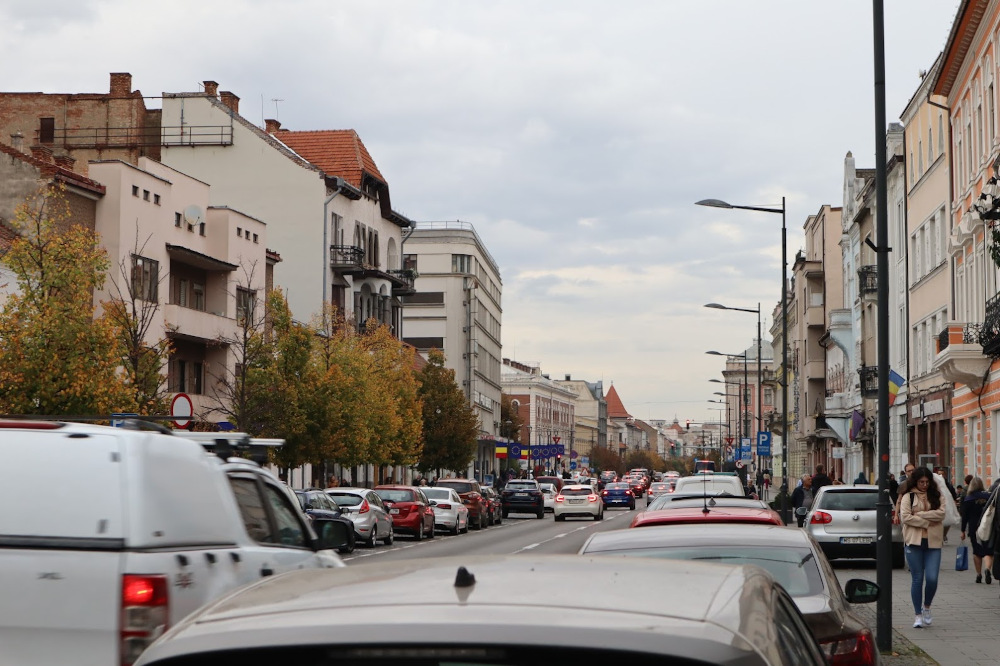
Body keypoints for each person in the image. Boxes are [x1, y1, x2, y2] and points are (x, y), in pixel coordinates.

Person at [899, 466, 945, 628]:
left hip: (933, 542)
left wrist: (919, 515)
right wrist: (927, 522)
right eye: (921, 482)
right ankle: (917, 614)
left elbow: (942, 513)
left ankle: (927, 607)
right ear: (915, 481)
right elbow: (905, 517)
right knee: (917, 578)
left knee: (932, 578)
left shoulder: (937, 494)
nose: (924, 485)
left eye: (927, 482)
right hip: (914, 541)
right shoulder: (908, 497)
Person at [960, 476, 993, 584]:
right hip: (987, 526)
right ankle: (988, 569)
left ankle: (978, 575)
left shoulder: (968, 499)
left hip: (974, 527)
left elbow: (964, 516)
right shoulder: (988, 497)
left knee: (977, 551)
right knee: (988, 550)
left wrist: (962, 530)